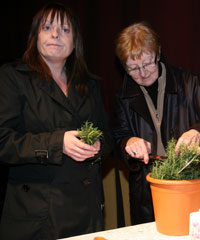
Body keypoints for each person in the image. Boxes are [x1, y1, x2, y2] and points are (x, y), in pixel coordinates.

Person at [0, 2, 113, 240]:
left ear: (75, 42)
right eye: (47, 27)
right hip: (36, 218)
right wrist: (58, 143)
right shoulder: (12, 78)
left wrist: (98, 146)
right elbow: (4, 142)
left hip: (87, 213)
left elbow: (108, 135)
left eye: (64, 30)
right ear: (35, 36)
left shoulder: (89, 84)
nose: (55, 35)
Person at [112, 21, 200, 225]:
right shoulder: (123, 97)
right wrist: (127, 142)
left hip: (191, 187)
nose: (142, 74)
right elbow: (116, 137)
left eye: (147, 64)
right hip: (145, 195)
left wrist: (197, 131)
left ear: (158, 53)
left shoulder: (190, 83)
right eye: (132, 69)